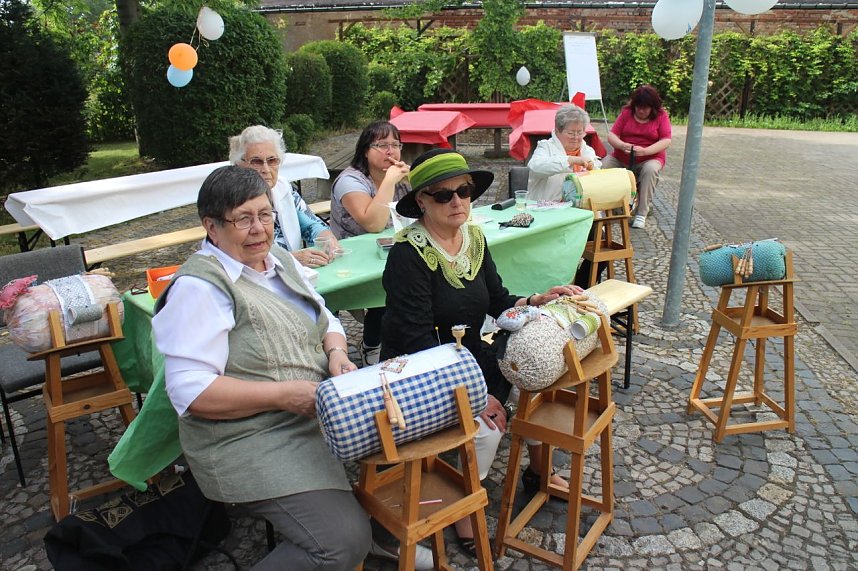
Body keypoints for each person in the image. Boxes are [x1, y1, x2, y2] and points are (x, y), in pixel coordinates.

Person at [150, 166, 369, 571]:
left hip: (308, 412)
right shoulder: (199, 288)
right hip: (247, 437)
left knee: (401, 442)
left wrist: (337, 352)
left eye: (265, 214)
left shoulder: (279, 260)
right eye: (243, 219)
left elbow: (325, 318)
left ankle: (387, 530)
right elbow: (191, 393)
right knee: (342, 542)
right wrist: (283, 395)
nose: (259, 229)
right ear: (211, 227)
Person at [380, 149, 582, 556]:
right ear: (421, 201)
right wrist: (477, 395)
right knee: (487, 427)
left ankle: (537, 471)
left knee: (538, 371)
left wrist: (536, 300)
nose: (457, 202)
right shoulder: (408, 255)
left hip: (467, 354)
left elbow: (496, 300)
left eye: (465, 192)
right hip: (420, 368)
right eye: (443, 195)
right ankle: (462, 503)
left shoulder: (473, 236)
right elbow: (419, 342)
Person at [330, 121, 411, 366]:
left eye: (395, 145)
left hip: (386, 250)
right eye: (382, 145)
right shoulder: (350, 180)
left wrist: (416, 180)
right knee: (386, 285)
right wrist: (389, 182)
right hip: (349, 259)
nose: (390, 151)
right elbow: (373, 223)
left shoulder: (401, 177)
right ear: (366, 150)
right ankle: (372, 345)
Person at [229, 125, 339, 268]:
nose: (266, 169)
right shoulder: (231, 199)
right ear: (239, 164)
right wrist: (291, 259)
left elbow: (311, 225)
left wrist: (327, 239)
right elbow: (241, 254)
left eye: (272, 160)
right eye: (256, 162)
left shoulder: (283, 188)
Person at [602, 84, 672, 229]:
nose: (641, 111)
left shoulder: (661, 115)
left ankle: (641, 213)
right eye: (638, 107)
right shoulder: (626, 112)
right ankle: (603, 207)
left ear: (652, 107)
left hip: (650, 157)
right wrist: (621, 145)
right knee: (604, 165)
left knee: (651, 170)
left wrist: (646, 151)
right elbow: (612, 135)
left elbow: (666, 140)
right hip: (622, 156)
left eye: (645, 108)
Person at [527, 104, 601, 202]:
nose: (575, 138)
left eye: (579, 133)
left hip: (581, 210)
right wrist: (571, 160)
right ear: (557, 131)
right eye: (570, 133)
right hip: (547, 210)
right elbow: (535, 166)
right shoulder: (545, 147)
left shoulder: (588, 151)